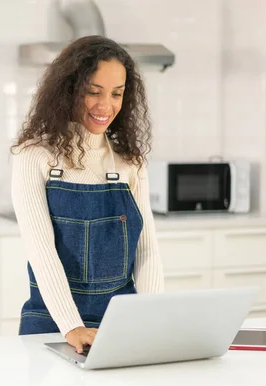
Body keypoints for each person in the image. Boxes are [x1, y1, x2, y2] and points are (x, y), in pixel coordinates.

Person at [10, 35, 164, 354]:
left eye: (116, 94)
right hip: (52, 324)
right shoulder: (34, 156)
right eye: (93, 92)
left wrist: (152, 319)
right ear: (69, 90)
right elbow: (42, 252)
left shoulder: (129, 162)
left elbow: (147, 251)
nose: (105, 106)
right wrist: (72, 326)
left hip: (120, 323)